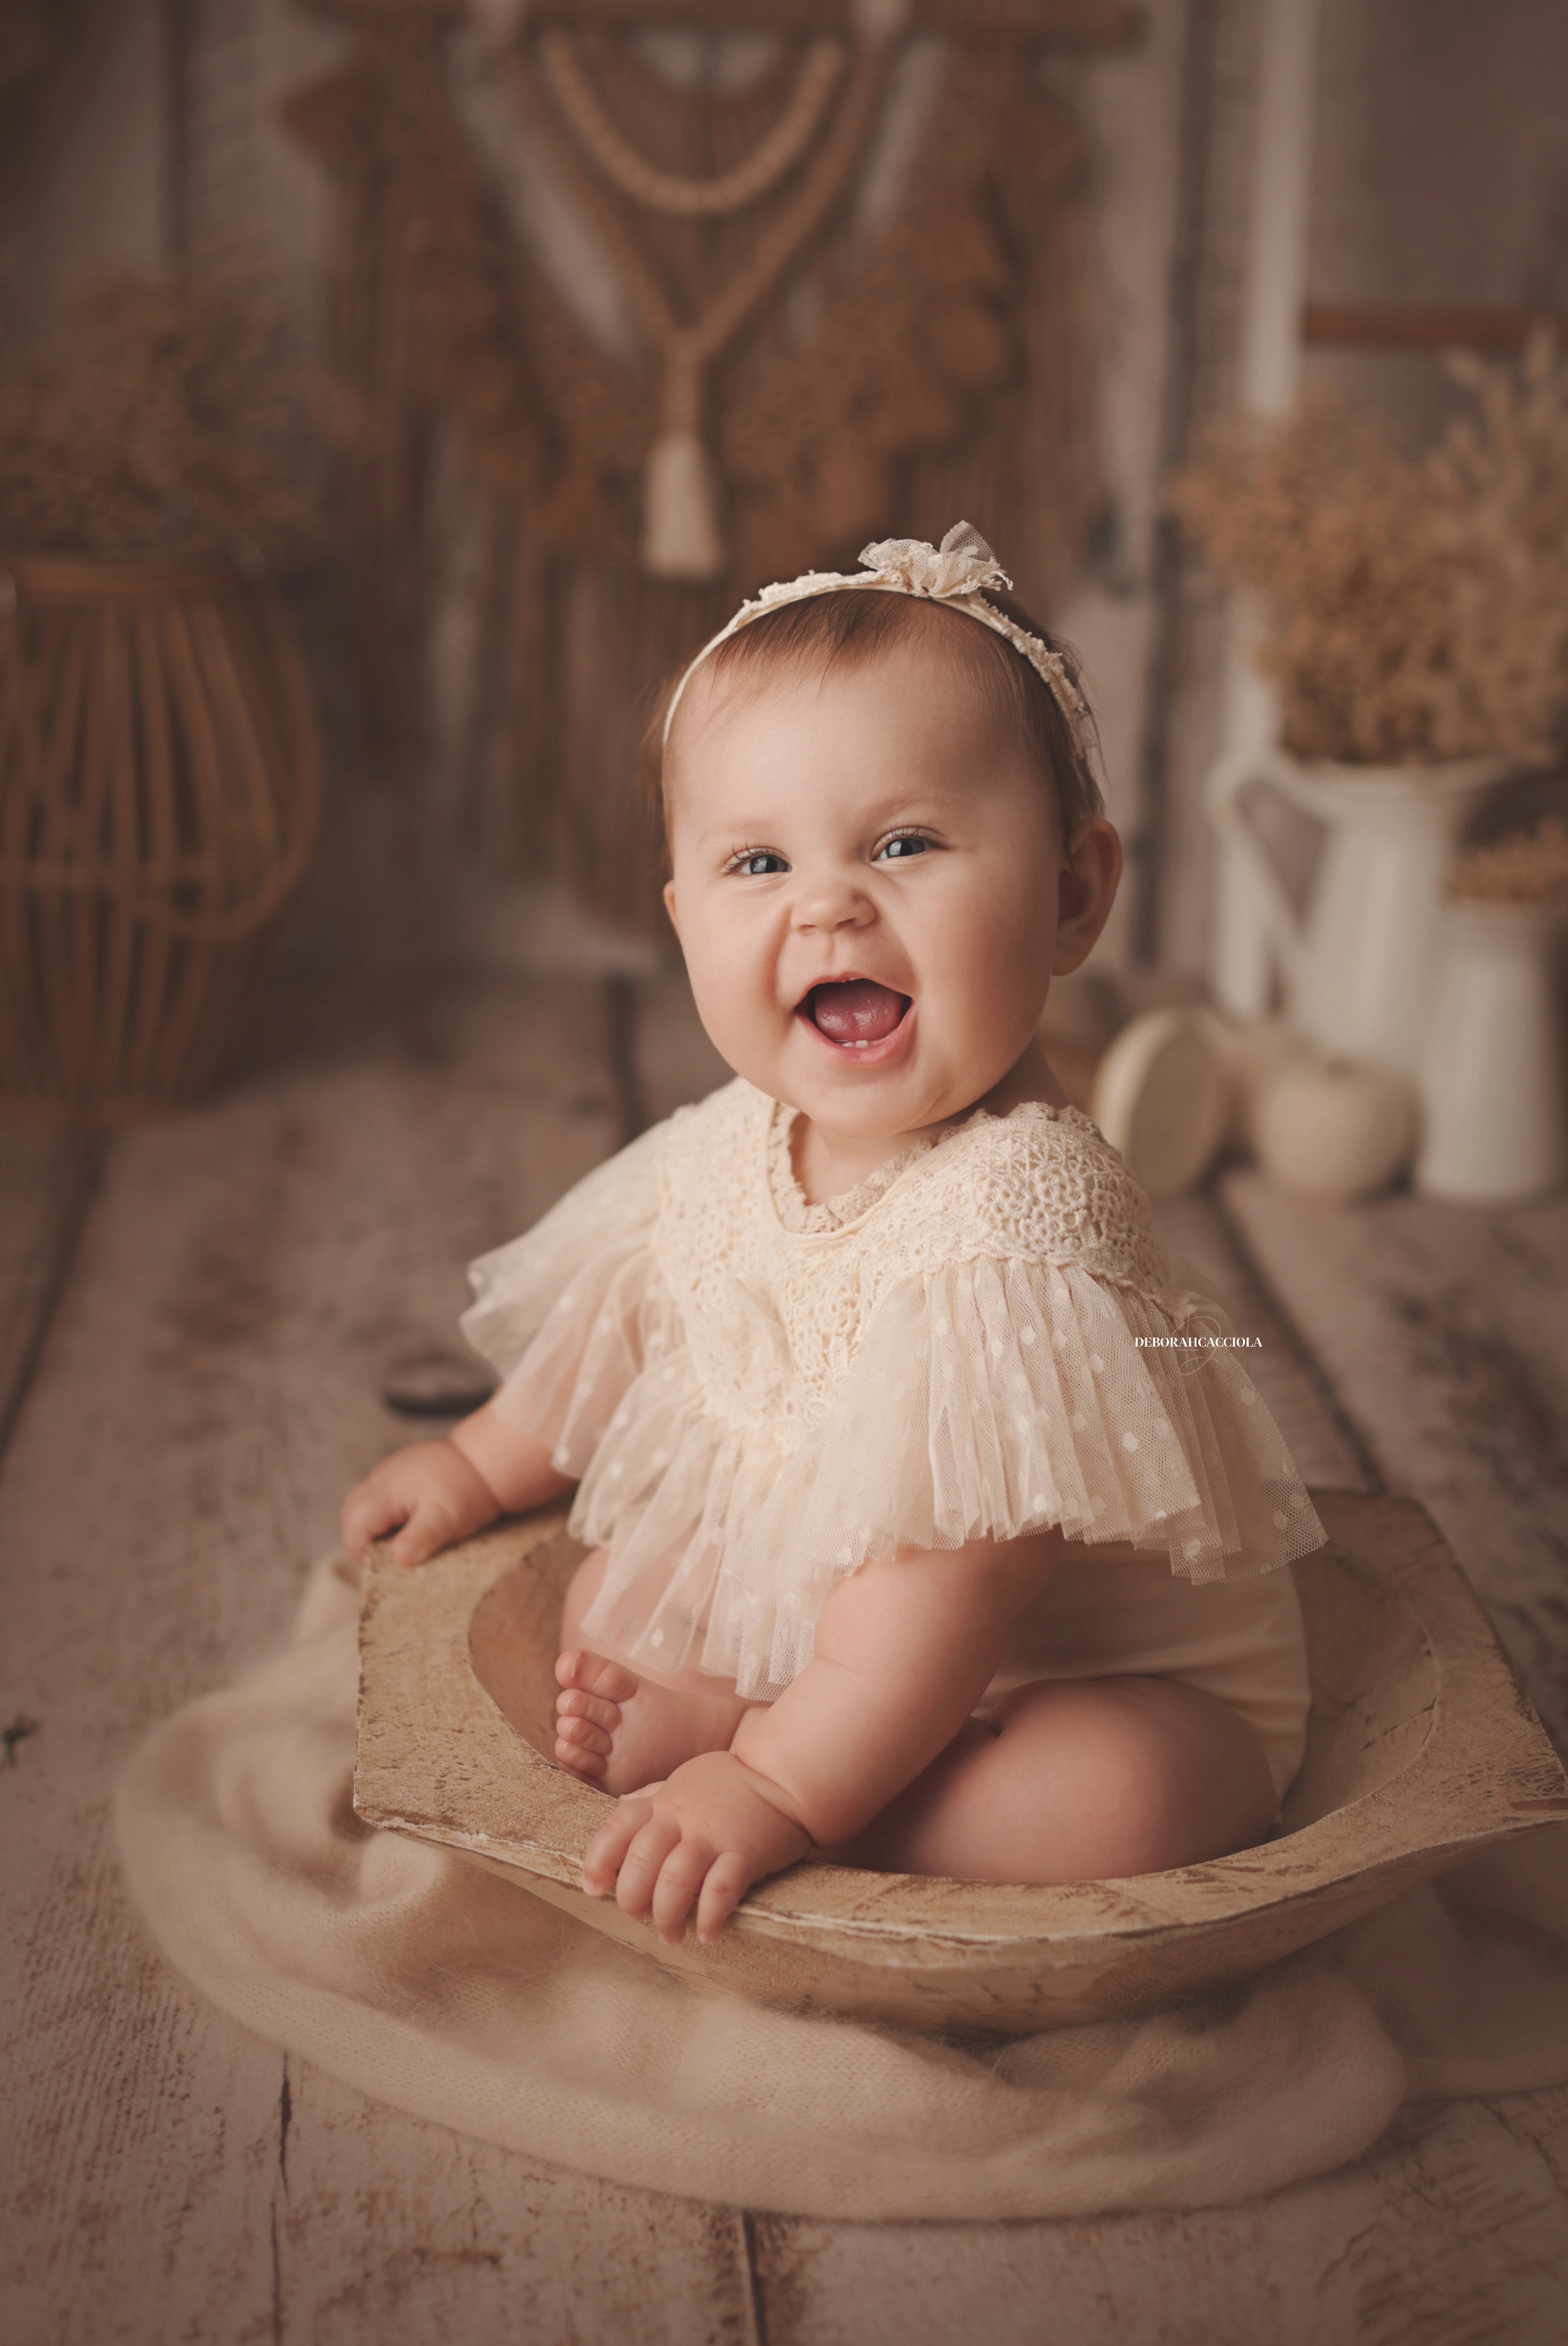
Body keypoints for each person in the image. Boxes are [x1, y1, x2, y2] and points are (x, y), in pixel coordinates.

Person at [340, 524, 1326, 1950]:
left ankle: (844, 1801)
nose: (826, 902)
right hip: (856, 1649)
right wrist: (475, 1458)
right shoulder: (739, 1136)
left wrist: (768, 1784)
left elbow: (950, 1586)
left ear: (1070, 892)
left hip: (1092, 1682)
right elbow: (625, 1315)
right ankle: (784, 1733)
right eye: (755, 862)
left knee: (1134, 1796)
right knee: (621, 1585)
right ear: (682, 919)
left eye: (904, 843)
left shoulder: (1020, 1222)